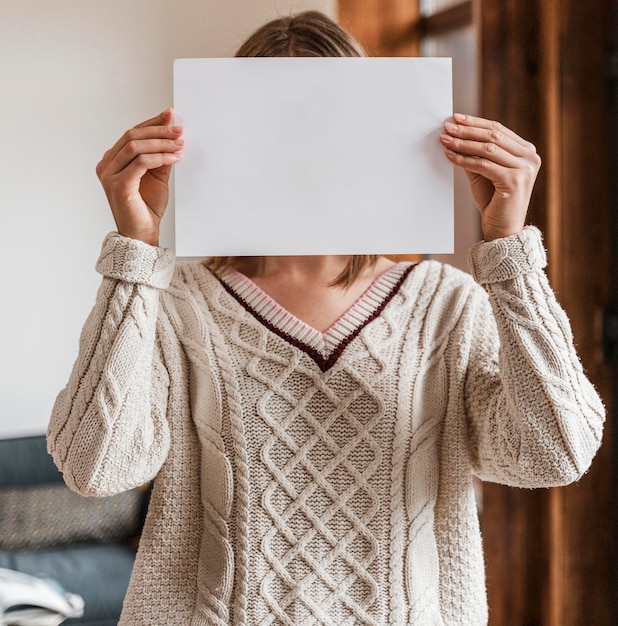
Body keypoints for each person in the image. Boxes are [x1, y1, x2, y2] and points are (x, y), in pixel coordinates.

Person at [47, 10, 605, 626]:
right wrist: (135, 254)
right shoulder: (176, 303)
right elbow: (96, 467)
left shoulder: (444, 305)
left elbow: (555, 453)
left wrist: (511, 250)